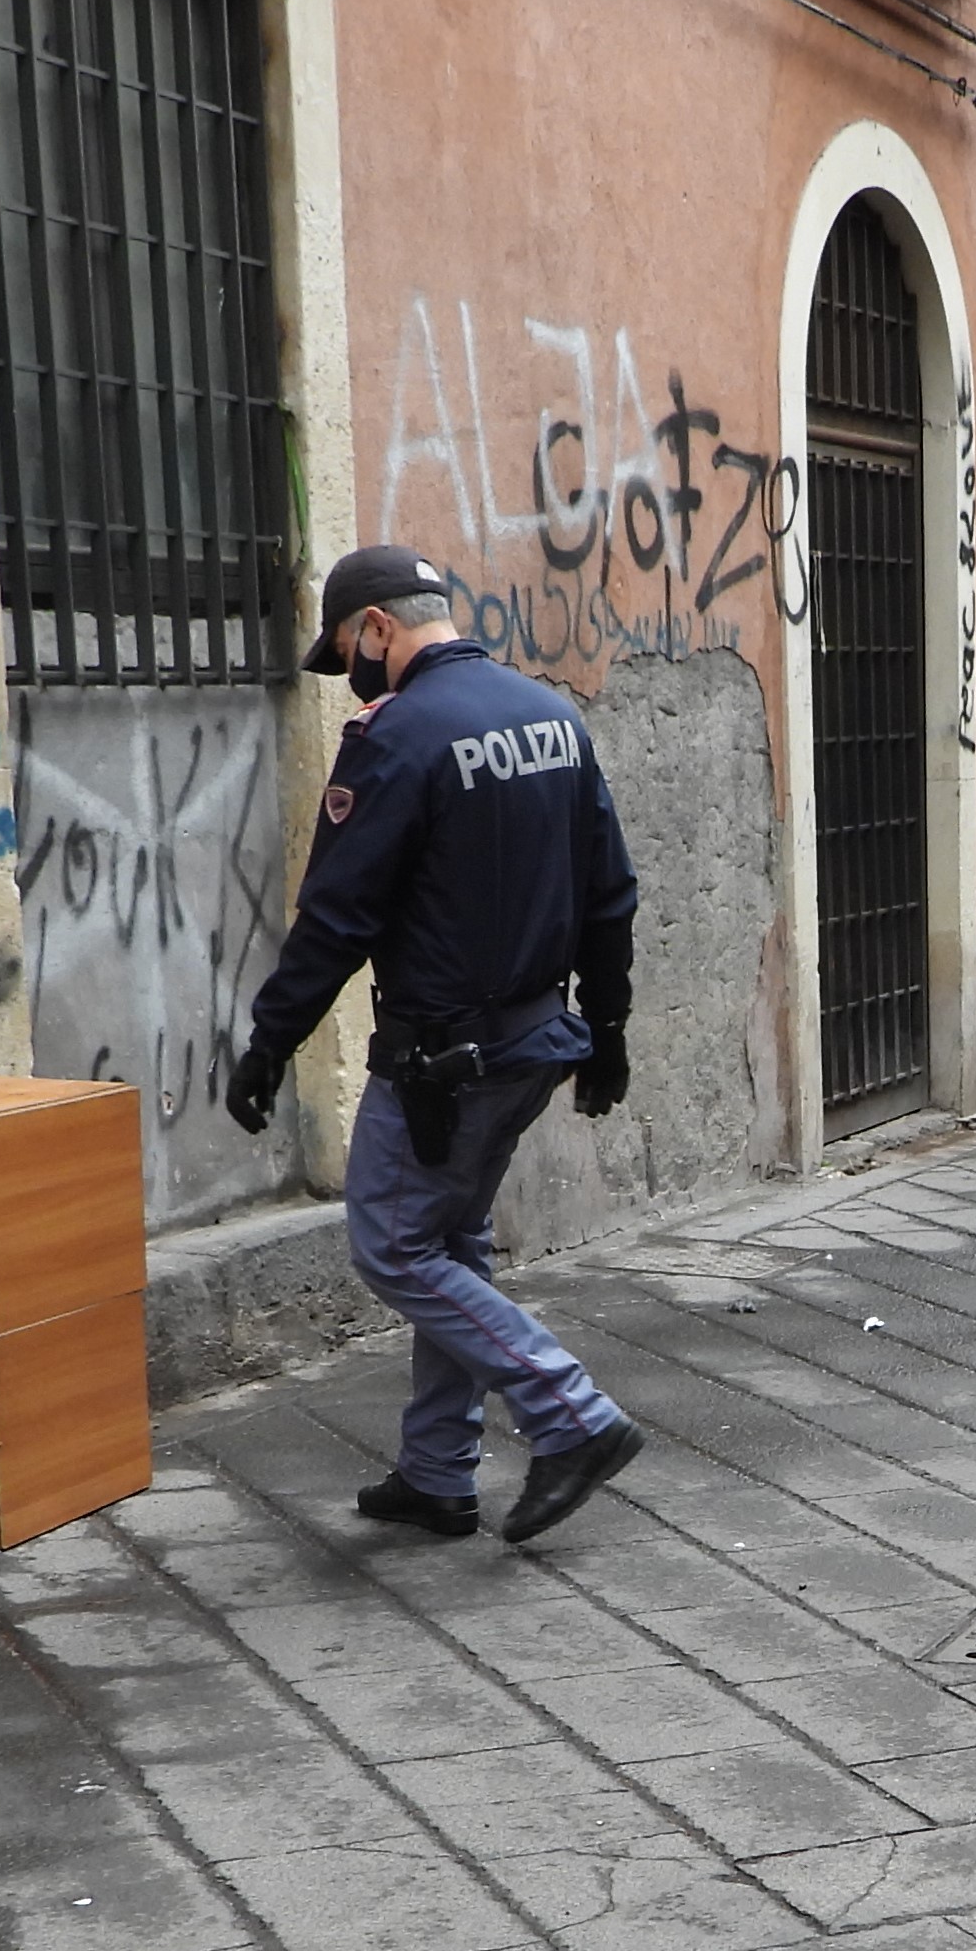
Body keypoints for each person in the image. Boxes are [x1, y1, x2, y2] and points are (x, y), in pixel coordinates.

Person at [228, 545, 648, 1548]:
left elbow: (336, 918)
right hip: (539, 1039)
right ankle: (437, 1473)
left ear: (376, 628)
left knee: (392, 1244)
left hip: (443, 1063)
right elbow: (611, 890)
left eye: (346, 653)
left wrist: (268, 1043)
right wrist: (612, 1026)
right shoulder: (550, 714)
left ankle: (572, 1416)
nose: (351, 678)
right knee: (449, 1239)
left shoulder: (397, 736)